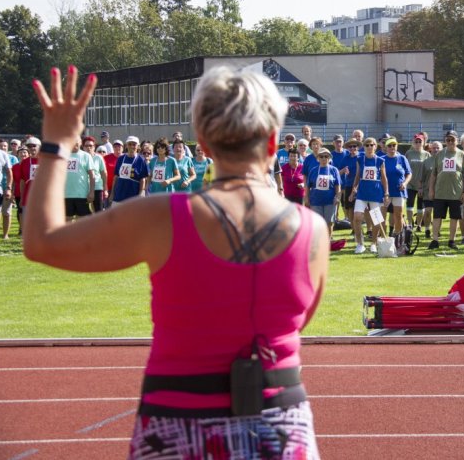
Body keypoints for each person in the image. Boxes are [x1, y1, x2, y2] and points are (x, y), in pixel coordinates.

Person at [25, 65, 326, 459]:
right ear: (273, 141)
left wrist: (58, 144)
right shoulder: (313, 229)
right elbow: (298, 318)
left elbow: (42, 242)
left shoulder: (160, 216)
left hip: (175, 424)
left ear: (202, 143)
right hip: (280, 427)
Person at [428, 130, 464, 250]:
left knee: (454, 217)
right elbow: (433, 174)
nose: (450, 142)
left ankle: (451, 240)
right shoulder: (440, 154)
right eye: (448, 140)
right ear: (445, 141)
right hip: (440, 192)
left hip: (456, 193)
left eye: (453, 140)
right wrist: (431, 190)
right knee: (437, 217)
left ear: (457, 141)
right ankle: (435, 240)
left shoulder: (462, 155)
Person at [350, 137, 389, 254]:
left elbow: (384, 178)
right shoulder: (360, 159)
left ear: (375, 146)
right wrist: (353, 190)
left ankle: (373, 243)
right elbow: (357, 175)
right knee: (357, 217)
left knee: (376, 219)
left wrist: (386, 193)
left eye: (371, 145)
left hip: (375, 193)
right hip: (362, 192)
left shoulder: (380, 160)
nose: (369, 147)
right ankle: (360, 243)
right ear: (364, 147)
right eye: (366, 145)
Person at [304, 147, 341, 237]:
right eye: (321, 156)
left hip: (330, 201)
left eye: (326, 156)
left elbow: (338, 185)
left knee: (329, 222)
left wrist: (338, 197)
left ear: (329, 158)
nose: (324, 158)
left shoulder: (334, 170)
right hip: (315, 201)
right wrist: (306, 198)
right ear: (318, 158)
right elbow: (308, 186)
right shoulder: (313, 170)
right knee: (317, 223)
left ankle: (328, 241)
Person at [383, 137, 412, 236]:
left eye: (394, 145)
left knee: (398, 215)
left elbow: (409, 173)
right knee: (382, 216)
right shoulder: (382, 160)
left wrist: (404, 183)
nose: (392, 147)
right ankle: (382, 237)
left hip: (399, 192)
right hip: (385, 192)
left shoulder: (402, 158)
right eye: (389, 145)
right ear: (386, 147)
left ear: (397, 146)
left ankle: (398, 237)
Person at [63, 137, 95, 221]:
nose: (75, 144)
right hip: (66, 195)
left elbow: (92, 176)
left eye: (77, 142)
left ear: (80, 143)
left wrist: (91, 192)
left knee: (82, 221)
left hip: (82, 195)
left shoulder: (86, 156)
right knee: (67, 220)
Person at [110, 136, 149, 204]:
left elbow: (142, 179)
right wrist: (112, 193)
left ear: (138, 146)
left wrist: (140, 194)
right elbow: (116, 177)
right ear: (126, 146)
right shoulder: (121, 158)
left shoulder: (141, 160)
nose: (132, 146)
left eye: (134, 144)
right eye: (129, 144)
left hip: (133, 197)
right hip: (119, 195)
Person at [405, 133, 430, 230]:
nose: (418, 143)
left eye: (420, 141)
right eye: (416, 141)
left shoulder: (426, 154)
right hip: (410, 184)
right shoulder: (408, 153)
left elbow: (428, 169)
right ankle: (410, 224)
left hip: (422, 185)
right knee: (409, 204)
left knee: (420, 207)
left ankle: (419, 224)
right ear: (413, 142)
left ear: (423, 143)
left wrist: (424, 185)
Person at [419, 140, 442, 239]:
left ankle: (437, 230)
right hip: (427, 191)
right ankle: (427, 229)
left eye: (438, 148)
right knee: (428, 211)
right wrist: (420, 188)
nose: (435, 150)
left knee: (438, 213)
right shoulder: (426, 162)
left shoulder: (444, 160)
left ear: (441, 149)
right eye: (434, 148)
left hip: (441, 191)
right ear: (430, 149)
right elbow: (421, 177)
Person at [83, 136, 108, 212]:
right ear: (83, 147)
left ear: (94, 147)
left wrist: (105, 188)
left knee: (99, 212)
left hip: (97, 188)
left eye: (91, 146)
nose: (89, 148)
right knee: (85, 213)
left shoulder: (99, 158)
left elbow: (103, 173)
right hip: (84, 188)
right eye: (86, 146)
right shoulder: (81, 157)